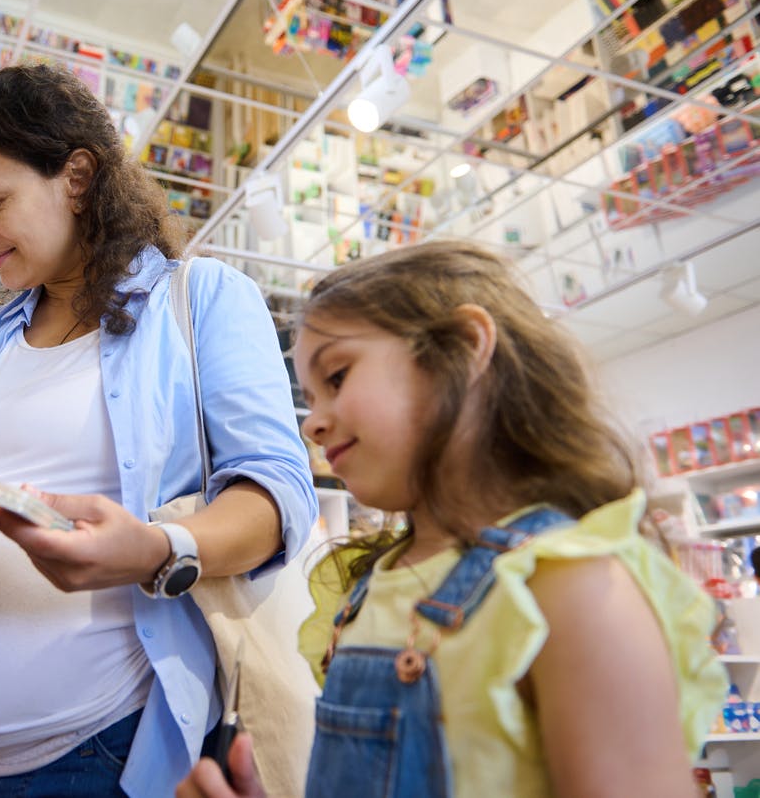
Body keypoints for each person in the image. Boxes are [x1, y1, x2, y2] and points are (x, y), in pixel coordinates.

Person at [0, 62, 317, 798]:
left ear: (75, 177)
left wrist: (159, 551)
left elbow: (278, 494)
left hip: (85, 755)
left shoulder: (199, 301)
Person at [177, 241, 726, 798]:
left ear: (463, 350)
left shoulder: (571, 585)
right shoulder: (367, 588)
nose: (312, 424)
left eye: (337, 377)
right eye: (310, 398)